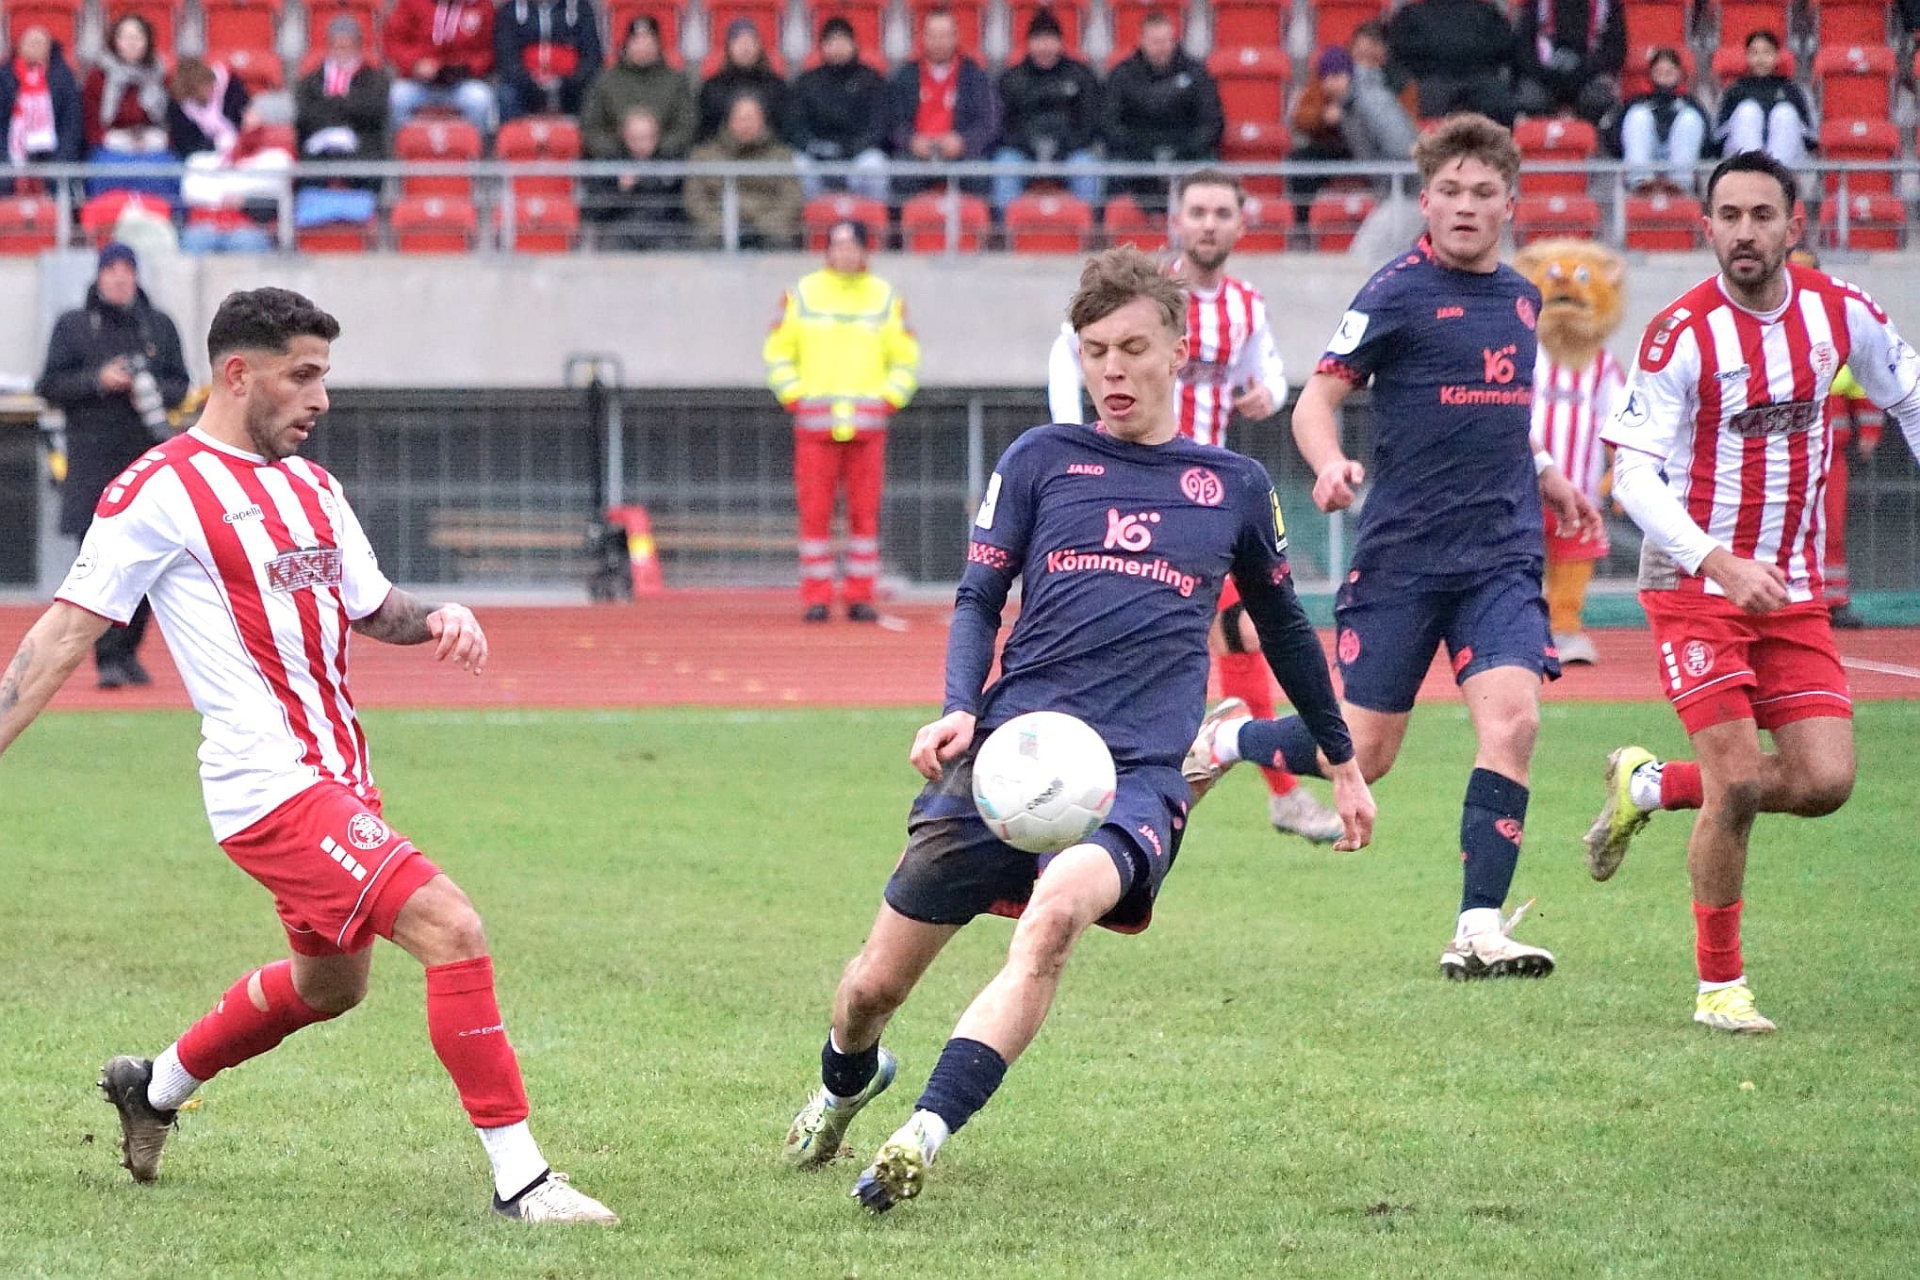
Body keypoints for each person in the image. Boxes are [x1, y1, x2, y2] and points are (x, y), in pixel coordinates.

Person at [0, 287, 618, 1223]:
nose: (321, 398)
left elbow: (374, 607)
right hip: (267, 784)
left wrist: (439, 617)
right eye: (303, 375)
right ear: (237, 374)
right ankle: (523, 1182)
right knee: (452, 928)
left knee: (331, 987)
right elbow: (58, 638)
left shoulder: (314, 488)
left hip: (340, 779)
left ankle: (153, 1087)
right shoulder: (159, 490)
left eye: (324, 375)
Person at [781, 246, 1373, 1214]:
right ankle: (848, 1082)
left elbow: (1284, 628)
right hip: (1006, 755)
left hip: (1136, 776)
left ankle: (920, 1134)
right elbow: (978, 596)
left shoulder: (1230, 484)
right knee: (867, 992)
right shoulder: (1040, 460)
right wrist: (959, 704)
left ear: (1178, 349)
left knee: (1055, 918)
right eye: (1095, 351)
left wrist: (1341, 758)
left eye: (1132, 348)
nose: (1112, 370)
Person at [1186, 115, 1602, 980]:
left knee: (1515, 724)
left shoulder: (1523, 300)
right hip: (1403, 561)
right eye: (1449, 191)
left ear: (1510, 204)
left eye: (1482, 192)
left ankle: (1478, 928)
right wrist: (1329, 464)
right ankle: (1229, 740)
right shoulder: (1395, 292)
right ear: (1425, 201)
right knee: (1365, 755)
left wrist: (1545, 470)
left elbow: (1496, 412)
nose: (1465, 205)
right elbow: (1315, 401)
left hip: (1500, 557)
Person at [1584, 153, 1920, 1032]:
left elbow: (1911, 395)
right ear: (1706, 228)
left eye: (1761, 214)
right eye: (1728, 215)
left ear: (1793, 225)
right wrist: (1715, 560)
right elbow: (1632, 476)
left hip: (1791, 586)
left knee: (1825, 781)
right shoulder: (1681, 333)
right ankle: (1720, 988)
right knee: (1735, 785)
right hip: (1694, 583)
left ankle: (1650, 785)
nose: (1744, 231)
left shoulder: (1840, 311)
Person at [1046, 169, 1342, 843]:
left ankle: (1278, 790)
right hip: (1132, 486)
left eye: (1220, 213)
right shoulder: (1146, 299)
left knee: (1241, 631)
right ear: (1177, 221)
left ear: (1241, 223)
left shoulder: (1246, 306)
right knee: (1125, 637)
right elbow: (1068, 349)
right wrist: (1069, 437)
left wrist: (1267, 393)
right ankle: (1095, 781)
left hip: (1205, 497)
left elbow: (1270, 372)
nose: (1208, 224)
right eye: (1198, 212)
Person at [34, 242, 189, 689]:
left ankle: (127, 651)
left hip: (147, 464)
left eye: (127, 269)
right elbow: (50, 385)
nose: (120, 277)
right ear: (99, 275)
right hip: (92, 466)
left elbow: (181, 385)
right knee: (99, 566)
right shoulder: (74, 325)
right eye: (112, 269)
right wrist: (98, 381)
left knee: (150, 564)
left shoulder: (159, 325)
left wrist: (149, 388)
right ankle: (107, 657)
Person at [762, 221, 919, 621]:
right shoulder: (801, 293)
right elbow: (778, 352)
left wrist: (890, 399)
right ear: (827, 251)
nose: (844, 253)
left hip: (868, 427)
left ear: (865, 250)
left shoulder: (885, 296)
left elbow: (906, 357)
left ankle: (859, 595)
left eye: (851, 246)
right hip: (815, 426)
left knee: (864, 517)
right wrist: (793, 396)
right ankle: (816, 596)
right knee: (814, 515)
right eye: (837, 245)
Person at [1512, 236, 1629, 665]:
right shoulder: (1523, 354)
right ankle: (1517, 632)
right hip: (1520, 484)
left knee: (1574, 559)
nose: (1565, 288)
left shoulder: (1602, 365)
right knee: (1516, 558)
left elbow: (1621, 421)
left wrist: (1621, 470)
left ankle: (1563, 629)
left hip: (1579, 489)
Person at [1788, 247, 1880, 630]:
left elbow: (1863, 384)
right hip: (1786, 453)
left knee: (1832, 528)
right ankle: (1792, 601)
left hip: (1831, 454)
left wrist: (1870, 431)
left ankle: (1834, 601)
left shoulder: (1834, 323)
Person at [1100, 12, 1222, 206]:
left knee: (1213, 175)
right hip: (1135, 153)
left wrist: (1186, 149)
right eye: (1155, 42)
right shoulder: (1122, 74)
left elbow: (1212, 122)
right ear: (1141, 41)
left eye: (1166, 41)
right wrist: (1139, 149)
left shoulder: (1196, 73)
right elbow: (1108, 122)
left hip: (1188, 152)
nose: (1161, 47)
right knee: (1113, 172)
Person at [991, 8, 1101, 212]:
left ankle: (1089, 226)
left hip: (1069, 153)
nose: (1044, 46)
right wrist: (1028, 146)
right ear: (1029, 43)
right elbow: (1002, 125)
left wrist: (1063, 147)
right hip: (1022, 152)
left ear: (1060, 42)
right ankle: (1004, 227)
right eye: (1038, 39)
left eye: (1050, 39)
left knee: (1086, 167)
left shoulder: (1080, 75)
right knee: (1005, 166)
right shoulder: (1011, 79)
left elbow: (1090, 121)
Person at [887, 8, 998, 195]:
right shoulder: (905, 76)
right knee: (901, 174)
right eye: (933, 35)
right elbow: (892, 121)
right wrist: (911, 141)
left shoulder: (975, 75)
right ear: (923, 37)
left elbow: (989, 122)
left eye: (944, 35)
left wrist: (963, 141)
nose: (939, 42)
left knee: (979, 173)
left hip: (962, 153)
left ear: (955, 37)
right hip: (916, 153)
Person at [790, 17, 891, 203]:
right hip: (818, 157)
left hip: (857, 156)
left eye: (843, 41)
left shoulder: (871, 80)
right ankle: (808, 220)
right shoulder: (807, 82)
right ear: (822, 46)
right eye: (831, 42)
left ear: (853, 44)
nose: (837, 47)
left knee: (874, 163)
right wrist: (816, 147)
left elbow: (878, 127)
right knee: (799, 164)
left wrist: (848, 150)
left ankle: (874, 219)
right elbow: (796, 126)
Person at [683, 93, 802, 249]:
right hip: (718, 227)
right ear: (729, 120)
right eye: (741, 118)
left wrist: (764, 225)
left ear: (763, 121)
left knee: (781, 241)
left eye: (751, 118)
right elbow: (694, 199)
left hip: (768, 228)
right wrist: (721, 224)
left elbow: (792, 198)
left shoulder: (781, 155)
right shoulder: (704, 155)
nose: (746, 124)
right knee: (702, 240)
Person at [82, 13, 175, 196]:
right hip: (112, 144)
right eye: (125, 38)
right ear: (115, 41)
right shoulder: (98, 76)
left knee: (165, 169)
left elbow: (170, 120)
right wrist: (116, 139)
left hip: (152, 144)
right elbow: (91, 123)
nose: (131, 43)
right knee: (105, 169)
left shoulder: (161, 74)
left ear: (147, 42)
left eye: (137, 38)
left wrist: (156, 138)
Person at [581, 14, 697, 160]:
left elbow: (686, 126)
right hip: (613, 162)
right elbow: (590, 127)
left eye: (648, 42)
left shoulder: (676, 81)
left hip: (665, 162)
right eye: (636, 41)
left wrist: (657, 147)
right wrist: (621, 149)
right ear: (626, 45)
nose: (642, 47)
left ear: (658, 45)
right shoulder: (605, 80)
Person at [1385, 0, 1518, 126]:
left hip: (1475, 79)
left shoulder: (1487, 12)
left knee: (1500, 103)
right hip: (1433, 81)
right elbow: (1398, 52)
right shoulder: (1410, 14)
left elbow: (1505, 47)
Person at [384, 0, 497, 134]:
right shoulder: (412, 3)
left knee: (480, 99)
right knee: (397, 97)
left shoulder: (481, 6)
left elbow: (488, 51)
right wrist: (415, 64)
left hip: (460, 83)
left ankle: (475, 146)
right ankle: (405, 145)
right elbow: (394, 41)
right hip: (419, 82)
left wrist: (465, 68)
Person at [294, 16, 392, 167]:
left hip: (362, 146)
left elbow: (373, 111)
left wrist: (331, 102)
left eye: (346, 47)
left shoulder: (375, 79)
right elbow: (304, 114)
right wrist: (344, 105)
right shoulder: (311, 80)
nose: (341, 53)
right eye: (336, 46)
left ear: (357, 47)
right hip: (318, 144)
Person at [1610, 47, 1708, 194]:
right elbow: (1616, 137)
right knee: (1638, 115)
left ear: (1679, 74)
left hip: (1680, 164)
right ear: (1650, 74)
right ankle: (1641, 182)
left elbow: (1707, 140)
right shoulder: (1637, 101)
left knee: (1690, 118)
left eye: (1669, 72)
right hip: (1646, 157)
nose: (1664, 77)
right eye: (1659, 72)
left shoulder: (1691, 103)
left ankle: (1679, 185)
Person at [1512, 0, 1625, 124]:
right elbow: (1523, 46)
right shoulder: (1536, 4)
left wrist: (1584, 71)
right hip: (1544, 74)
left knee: (1597, 100)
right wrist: (1543, 73)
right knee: (1530, 100)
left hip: (1588, 74)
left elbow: (1616, 49)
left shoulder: (1607, 4)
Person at [1714, 31, 1812, 172]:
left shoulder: (1791, 90)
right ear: (1747, 56)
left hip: (1787, 160)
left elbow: (1809, 136)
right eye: (1755, 53)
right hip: (1740, 161)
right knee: (1748, 110)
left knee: (1785, 112)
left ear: (1777, 56)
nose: (1760, 59)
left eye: (1767, 52)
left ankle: (1777, 177)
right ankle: (1754, 175)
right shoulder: (1735, 90)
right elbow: (1718, 136)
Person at [587, 107, 684, 250]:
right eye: (635, 138)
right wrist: (619, 189)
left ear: (656, 136)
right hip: (620, 231)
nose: (640, 144)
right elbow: (594, 211)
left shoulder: (669, 161)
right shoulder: (610, 163)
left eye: (646, 137)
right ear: (624, 135)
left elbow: (681, 208)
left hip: (661, 231)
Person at [0, 26, 84, 186]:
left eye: (40, 43)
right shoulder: (4, 76)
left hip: (53, 147)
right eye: (30, 43)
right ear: (19, 47)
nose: (35, 47)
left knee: (60, 177)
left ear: (49, 49)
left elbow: (71, 122)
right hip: (11, 146)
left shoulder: (63, 77)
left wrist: (64, 155)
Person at [493, 0, 601, 121]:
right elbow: (507, 57)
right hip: (525, 85)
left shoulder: (581, 9)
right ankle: (512, 133)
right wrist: (531, 82)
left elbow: (591, 55)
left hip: (571, 85)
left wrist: (566, 82)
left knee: (592, 94)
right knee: (506, 95)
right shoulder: (510, 11)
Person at [698, 17, 789, 143]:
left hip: (768, 149)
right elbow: (705, 129)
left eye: (751, 41)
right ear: (728, 47)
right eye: (738, 41)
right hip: (721, 150)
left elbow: (784, 128)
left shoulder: (776, 86)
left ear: (759, 46)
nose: (745, 47)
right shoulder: (712, 87)